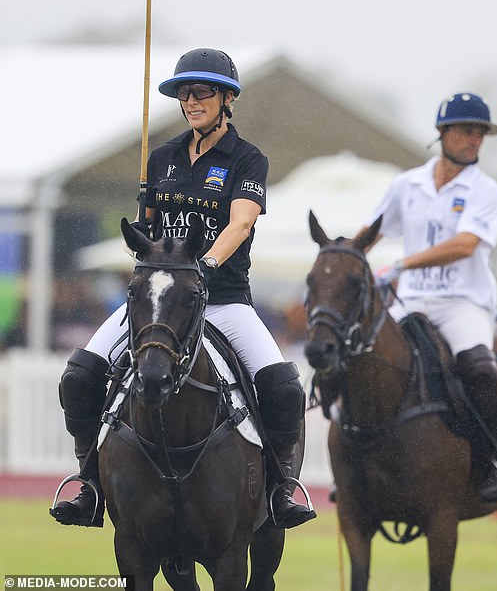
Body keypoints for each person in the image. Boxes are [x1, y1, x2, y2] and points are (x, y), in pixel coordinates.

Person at [50, 48, 315, 530]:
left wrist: (208, 264)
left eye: (202, 92)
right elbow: (148, 235)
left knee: (282, 387)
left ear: (226, 98)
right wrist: (144, 224)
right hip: (159, 301)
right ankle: (89, 481)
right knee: (80, 376)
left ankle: (280, 488)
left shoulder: (247, 159)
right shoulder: (164, 157)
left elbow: (241, 221)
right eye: (184, 94)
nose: (191, 101)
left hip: (224, 298)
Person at [358, 92, 497, 503]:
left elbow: (465, 245)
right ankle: (353, 458)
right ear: (443, 133)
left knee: (480, 368)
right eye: (466, 131)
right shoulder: (406, 184)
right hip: (410, 300)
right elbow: (373, 230)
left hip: (462, 302)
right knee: (358, 354)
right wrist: (345, 258)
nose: (474, 140)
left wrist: (404, 264)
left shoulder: (485, 190)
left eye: (480, 133)